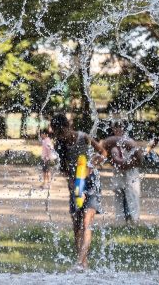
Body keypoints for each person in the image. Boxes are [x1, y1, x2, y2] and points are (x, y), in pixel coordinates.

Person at [49, 113, 108, 270]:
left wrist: (93, 163)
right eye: (57, 134)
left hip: (92, 182)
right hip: (76, 184)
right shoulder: (60, 145)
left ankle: (81, 262)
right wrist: (74, 186)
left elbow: (103, 152)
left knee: (87, 221)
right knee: (77, 224)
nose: (61, 136)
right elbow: (65, 171)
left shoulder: (83, 137)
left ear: (69, 127)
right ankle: (83, 262)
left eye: (62, 132)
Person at [100, 119, 144, 223]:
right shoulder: (110, 142)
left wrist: (127, 164)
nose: (118, 129)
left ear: (124, 129)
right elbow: (108, 156)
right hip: (118, 171)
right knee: (119, 192)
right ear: (113, 129)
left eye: (120, 127)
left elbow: (138, 158)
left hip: (131, 172)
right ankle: (121, 219)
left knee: (132, 193)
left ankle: (133, 219)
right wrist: (117, 163)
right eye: (116, 127)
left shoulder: (129, 141)